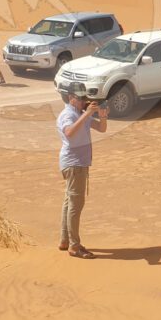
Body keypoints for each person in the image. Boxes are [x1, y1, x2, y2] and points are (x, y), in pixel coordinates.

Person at [57, 82, 108, 259]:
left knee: (69, 203)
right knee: (75, 206)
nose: (83, 101)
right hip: (74, 165)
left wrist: (102, 116)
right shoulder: (68, 115)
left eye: (84, 98)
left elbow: (102, 128)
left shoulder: (79, 114)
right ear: (71, 98)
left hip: (77, 164)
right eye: (80, 99)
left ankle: (65, 240)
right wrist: (87, 114)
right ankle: (74, 246)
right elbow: (69, 132)